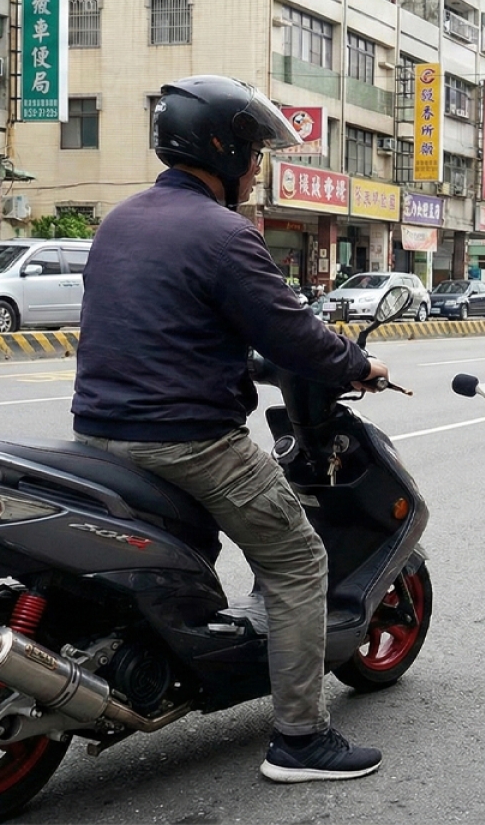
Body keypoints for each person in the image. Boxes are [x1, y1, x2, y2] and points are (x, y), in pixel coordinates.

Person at [70, 75, 391, 784]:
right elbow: (295, 335)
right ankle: (301, 740)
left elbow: (157, 322)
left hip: (97, 433)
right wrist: (358, 365)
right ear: (225, 148)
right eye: (254, 152)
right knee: (300, 561)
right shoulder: (224, 233)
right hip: (188, 440)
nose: (256, 167)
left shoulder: (121, 219)